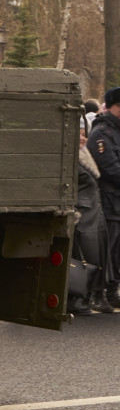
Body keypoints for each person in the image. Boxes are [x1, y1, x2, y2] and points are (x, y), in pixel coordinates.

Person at [73, 119, 111, 315]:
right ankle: (79, 297)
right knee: (85, 259)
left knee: (98, 257)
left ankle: (94, 295)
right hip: (83, 213)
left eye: (83, 133)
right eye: (78, 134)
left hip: (95, 213)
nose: (83, 138)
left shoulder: (83, 154)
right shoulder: (69, 158)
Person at [88, 87, 120, 311]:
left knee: (117, 249)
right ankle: (100, 293)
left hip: (116, 201)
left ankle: (112, 290)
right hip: (109, 200)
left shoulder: (115, 131)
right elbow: (110, 167)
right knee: (108, 249)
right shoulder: (102, 132)